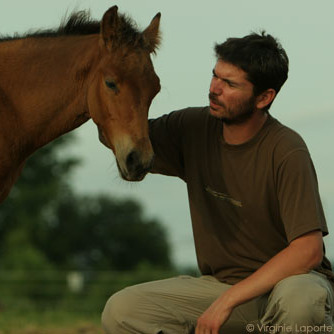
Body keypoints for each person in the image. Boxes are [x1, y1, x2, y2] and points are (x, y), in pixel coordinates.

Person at [101, 32, 334, 334]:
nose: (214, 89)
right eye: (215, 75)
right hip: (221, 288)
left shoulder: (287, 149)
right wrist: (99, 82)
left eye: (230, 84)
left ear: (264, 97)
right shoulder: (191, 128)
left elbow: (308, 251)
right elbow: (123, 132)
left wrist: (227, 302)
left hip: (289, 286)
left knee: (302, 301)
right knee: (122, 311)